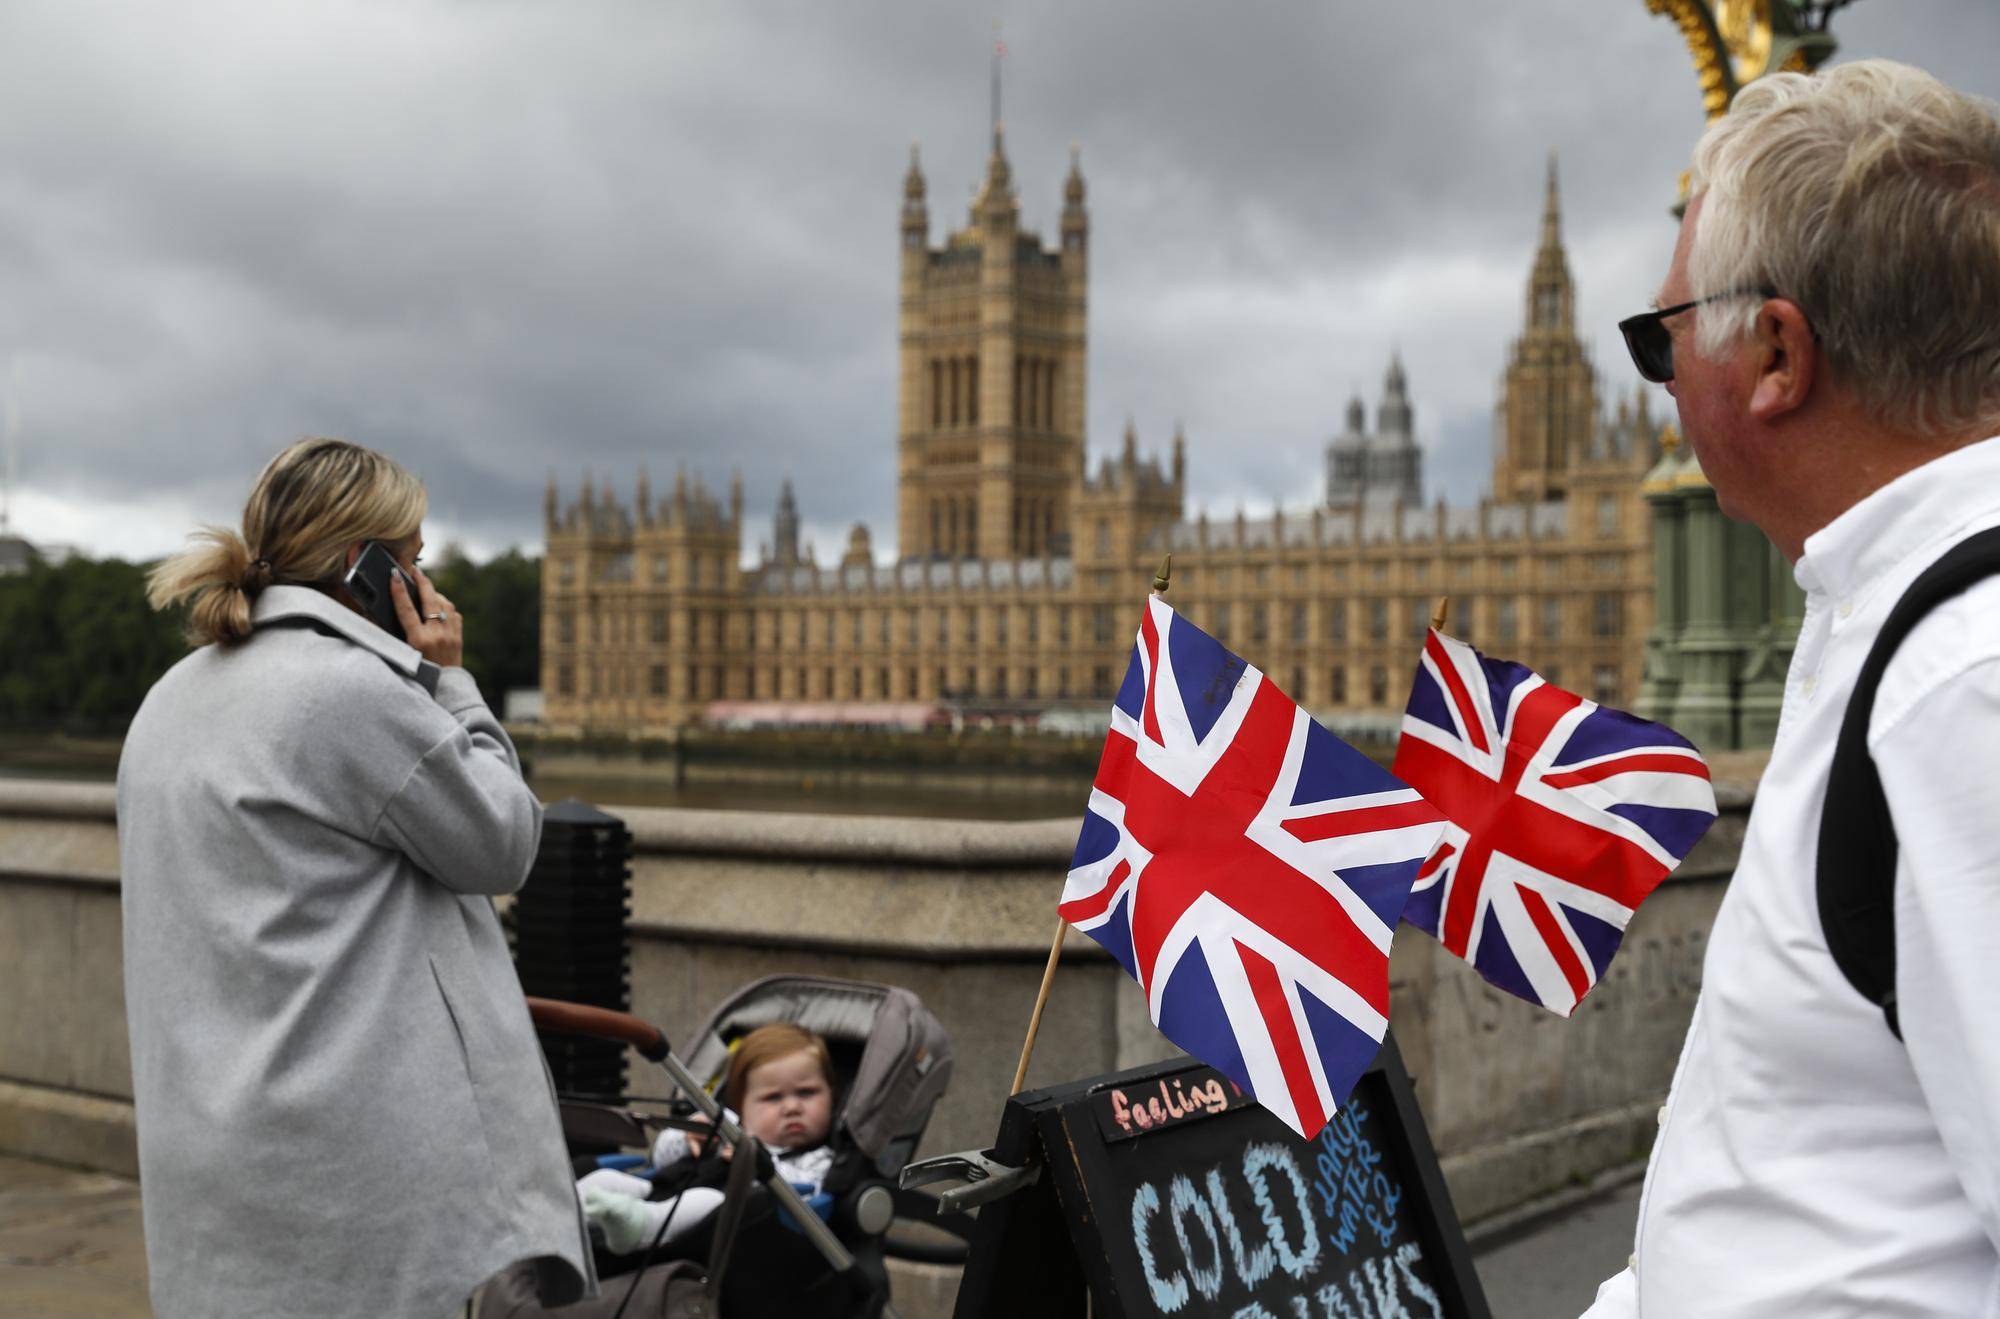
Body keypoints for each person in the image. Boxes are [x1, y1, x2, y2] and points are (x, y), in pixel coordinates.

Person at [1586, 60, 2000, 1316]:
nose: (1655, 390)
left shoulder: (1960, 688)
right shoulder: (1881, 626)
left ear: (1775, 350)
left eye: (1659, 342)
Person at [120, 438, 594, 1318]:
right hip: (350, 1161)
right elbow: (504, 841)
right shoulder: (348, 693)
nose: (426, 585)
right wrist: (451, 682)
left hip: (215, 1145)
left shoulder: (169, 699)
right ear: (362, 567)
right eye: (412, 561)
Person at [578, 1023, 837, 1255]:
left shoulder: (820, 1160)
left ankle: (640, 1226)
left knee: (707, 1200)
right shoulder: (728, 1127)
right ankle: (570, 1212)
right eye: (773, 1098)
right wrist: (687, 1135)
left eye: (806, 1093)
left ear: (832, 1096)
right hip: (664, 1188)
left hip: (733, 1226)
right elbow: (661, 1159)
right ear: (742, 1106)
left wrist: (757, 1167)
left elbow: (810, 1197)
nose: (792, 1107)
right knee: (607, 1180)